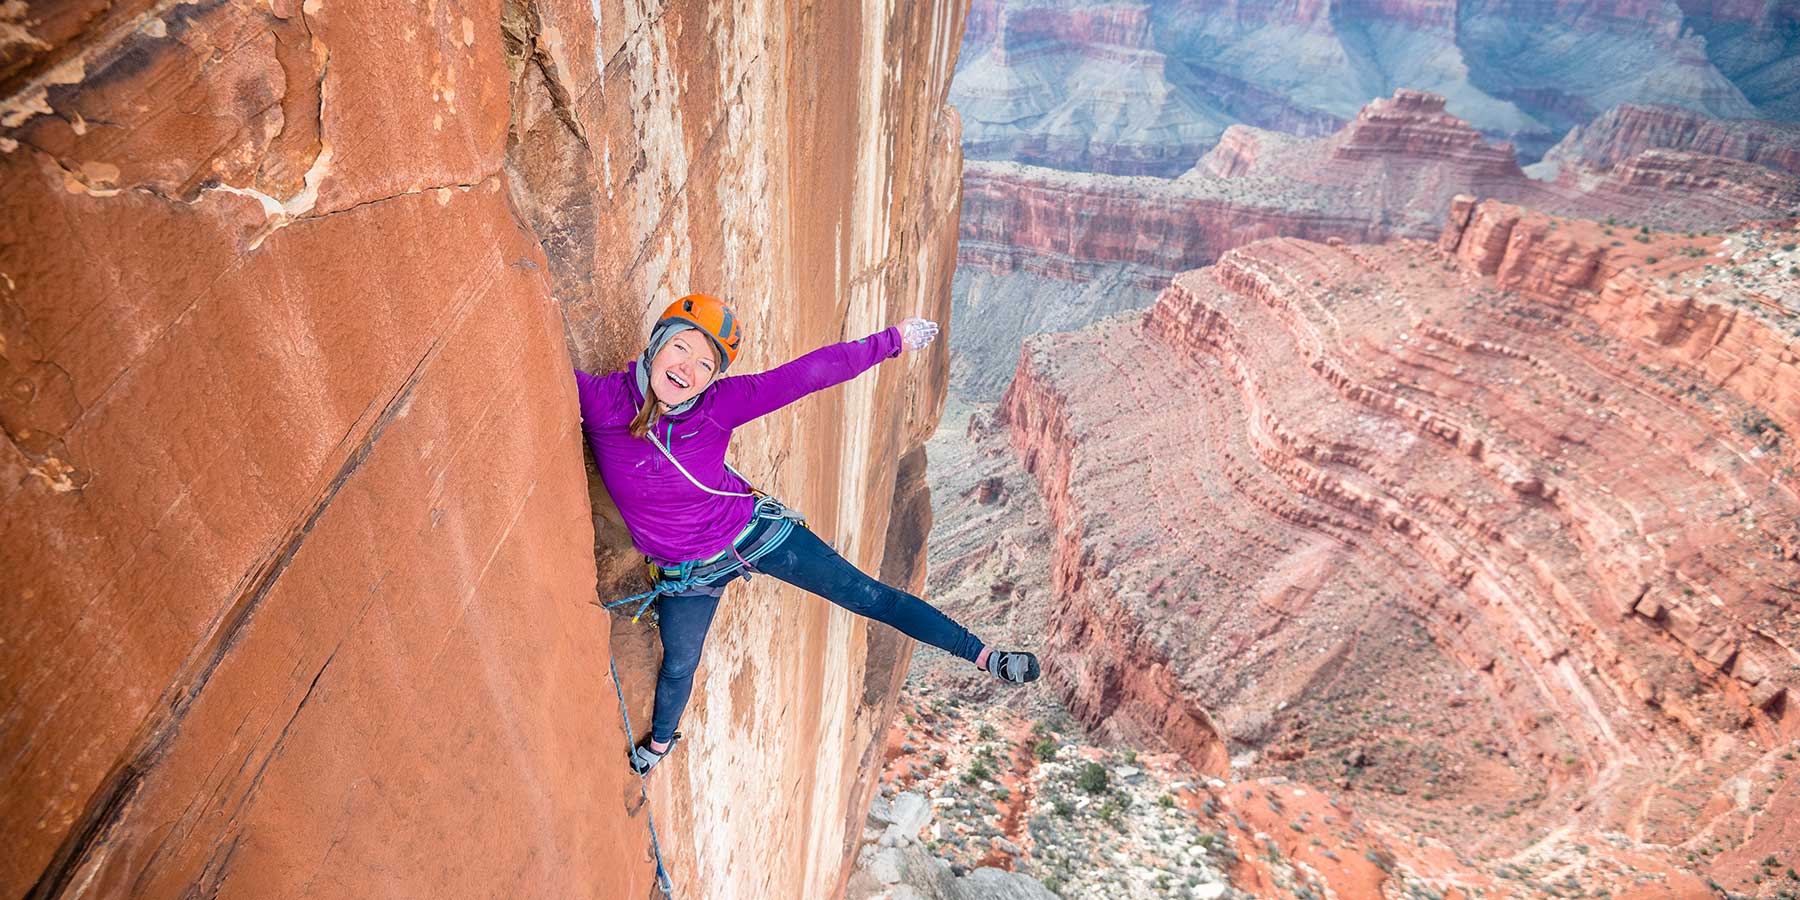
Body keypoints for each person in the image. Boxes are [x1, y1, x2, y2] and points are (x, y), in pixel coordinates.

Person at [575, 294, 1040, 775]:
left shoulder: (717, 405)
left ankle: (983, 656)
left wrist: (893, 340)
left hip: (753, 535)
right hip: (688, 574)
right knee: (678, 663)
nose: (686, 369)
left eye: (704, 364)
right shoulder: (601, 401)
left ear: (713, 379)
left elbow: (808, 374)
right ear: (656, 344)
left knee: (868, 597)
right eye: (680, 349)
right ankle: (660, 742)